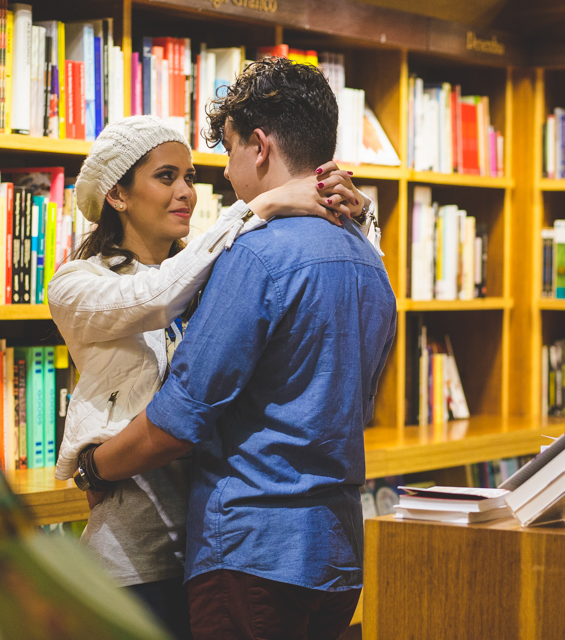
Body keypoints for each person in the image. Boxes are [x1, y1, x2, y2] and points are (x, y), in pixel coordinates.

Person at [78, 57, 397, 640]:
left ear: (260, 146)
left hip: (252, 548)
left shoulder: (253, 256)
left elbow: (181, 417)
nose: (223, 176)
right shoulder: (371, 262)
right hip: (338, 550)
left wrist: (94, 463)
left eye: (226, 152)